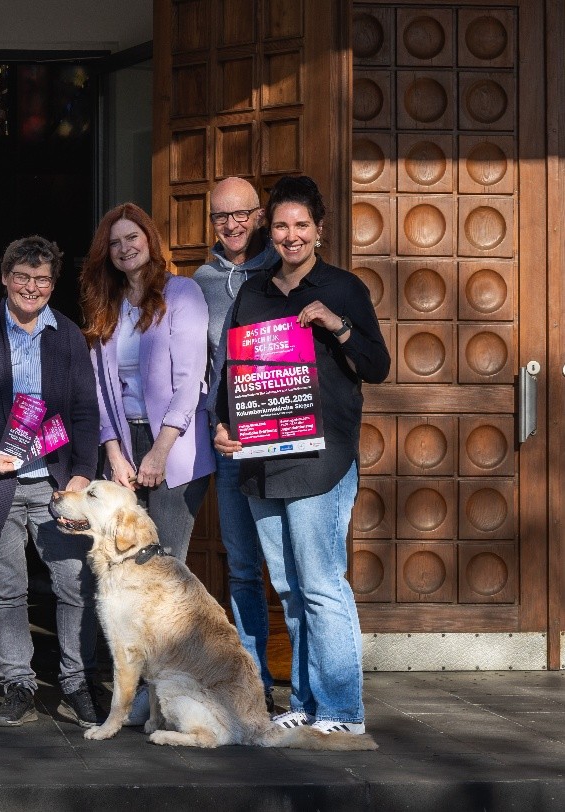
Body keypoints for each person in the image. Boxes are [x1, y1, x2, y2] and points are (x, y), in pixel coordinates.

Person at [214, 175, 390, 736]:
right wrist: (224, 424)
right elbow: (233, 369)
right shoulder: (256, 290)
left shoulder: (343, 288)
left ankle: (343, 710)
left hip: (323, 460)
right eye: (283, 225)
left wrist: (335, 325)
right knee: (289, 587)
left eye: (302, 226)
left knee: (321, 585)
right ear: (272, 228)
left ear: (319, 230)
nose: (291, 236)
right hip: (263, 459)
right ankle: (308, 703)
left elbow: (377, 366)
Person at [0, 236, 101, 729]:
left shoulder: (68, 337)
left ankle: (77, 683)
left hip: (58, 485)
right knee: (5, 591)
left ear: (53, 284)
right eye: (22, 277)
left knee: (74, 585)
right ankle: (17, 685)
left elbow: (85, 410)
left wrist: (82, 473)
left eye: (42, 280)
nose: (31, 287)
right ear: (4, 277)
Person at [79, 203, 214, 563]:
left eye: (132, 237)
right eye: (114, 243)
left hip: (175, 444)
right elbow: (99, 388)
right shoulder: (105, 305)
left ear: (149, 240)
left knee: (163, 561)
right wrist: (114, 454)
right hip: (123, 445)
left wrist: (159, 452)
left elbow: (190, 380)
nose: (125, 248)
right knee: (120, 558)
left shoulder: (183, 293)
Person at [193, 177, 280, 713]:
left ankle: (314, 687)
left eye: (241, 213)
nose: (231, 224)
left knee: (294, 573)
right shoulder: (198, 282)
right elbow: (201, 368)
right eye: (221, 216)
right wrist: (215, 423)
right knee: (243, 568)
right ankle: (255, 683)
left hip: (284, 444)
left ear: (260, 214)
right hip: (228, 446)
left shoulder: (285, 272)